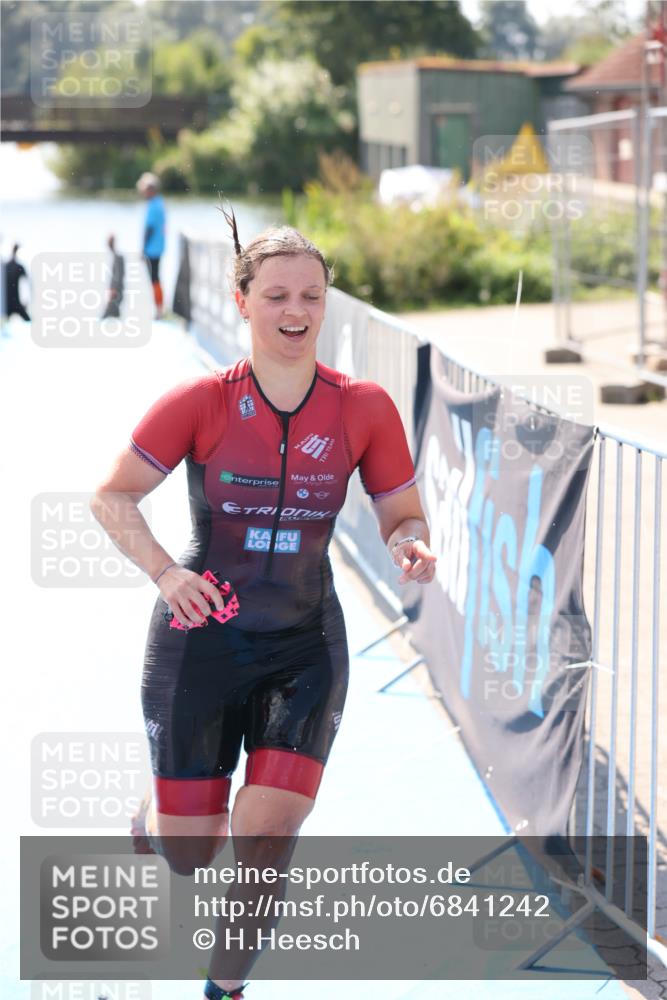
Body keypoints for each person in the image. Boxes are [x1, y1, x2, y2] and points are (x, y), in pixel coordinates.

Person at [90, 208, 437, 1000]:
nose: (295, 312)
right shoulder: (201, 401)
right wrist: (164, 575)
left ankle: (224, 990)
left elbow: (401, 512)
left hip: (304, 647)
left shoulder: (363, 407)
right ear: (242, 301)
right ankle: (154, 821)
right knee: (191, 854)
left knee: (269, 837)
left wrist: (409, 542)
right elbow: (112, 496)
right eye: (276, 295)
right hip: (200, 641)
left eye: (311, 296)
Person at [136, 171, 165, 319]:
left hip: (152, 248)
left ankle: (159, 309)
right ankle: (159, 308)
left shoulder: (153, 206)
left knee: (154, 279)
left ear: (151, 190)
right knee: (156, 278)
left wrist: (143, 249)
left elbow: (149, 229)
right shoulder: (160, 203)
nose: (143, 193)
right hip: (159, 246)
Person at [3, 243, 30, 321]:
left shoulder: (5, 266)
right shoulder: (16, 267)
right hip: (14, 303)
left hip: (8, 304)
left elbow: (26, 284)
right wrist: (26, 301)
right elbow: (26, 284)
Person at [101, 234, 125, 320]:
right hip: (116, 290)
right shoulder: (116, 257)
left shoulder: (118, 258)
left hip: (117, 290)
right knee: (114, 313)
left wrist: (114, 289)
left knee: (109, 312)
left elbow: (119, 275)